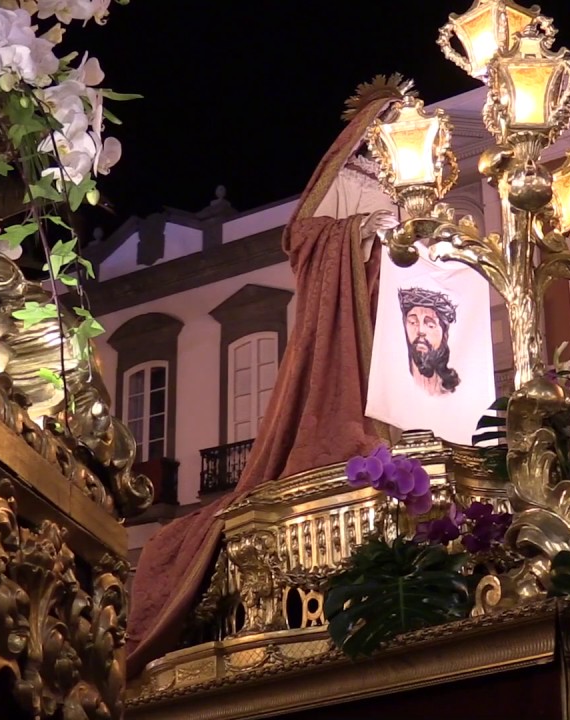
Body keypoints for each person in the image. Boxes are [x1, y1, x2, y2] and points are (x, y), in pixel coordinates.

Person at [124, 79, 407, 677]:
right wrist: (353, 237)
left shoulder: (405, 181)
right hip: (339, 320)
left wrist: (389, 241)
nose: (389, 138)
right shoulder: (338, 187)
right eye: (382, 128)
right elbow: (303, 236)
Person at [399, 286, 461, 395]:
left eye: (430, 325)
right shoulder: (396, 381)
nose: (420, 330)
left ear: (444, 334)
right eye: (413, 322)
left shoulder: (448, 393)